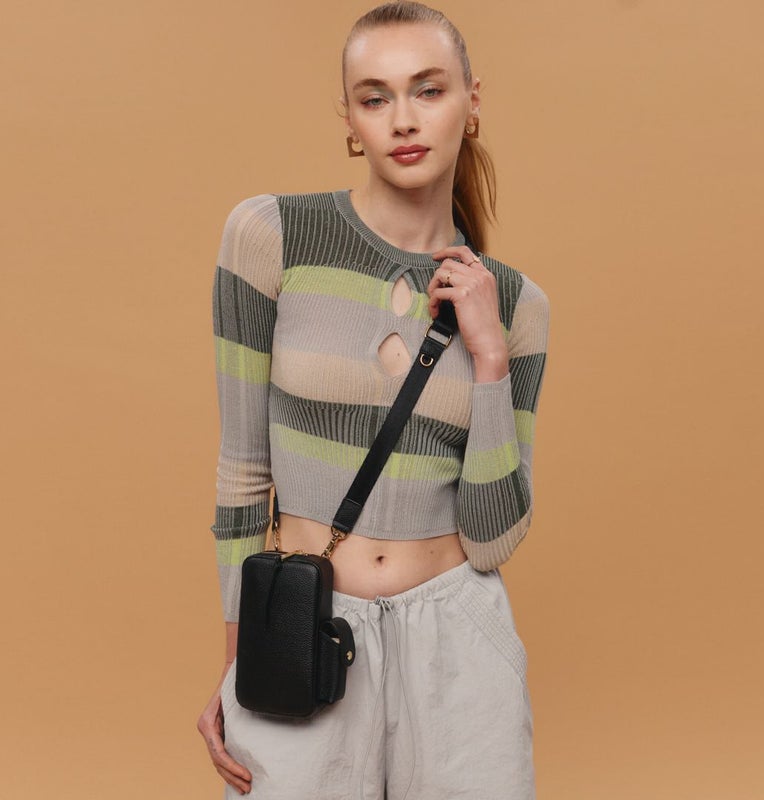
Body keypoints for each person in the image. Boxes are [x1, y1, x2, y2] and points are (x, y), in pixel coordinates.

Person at [197, 2, 549, 798]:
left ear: (472, 101)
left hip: (461, 644)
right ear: (351, 119)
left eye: (428, 89)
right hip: (307, 627)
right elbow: (243, 469)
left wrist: (490, 356)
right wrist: (239, 658)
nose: (403, 119)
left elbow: (493, 537)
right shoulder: (271, 237)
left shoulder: (518, 306)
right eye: (375, 96)